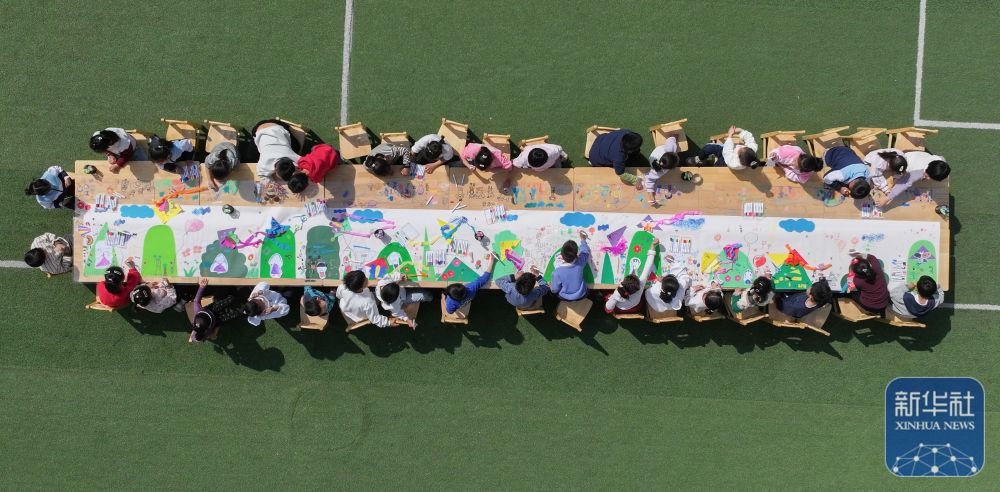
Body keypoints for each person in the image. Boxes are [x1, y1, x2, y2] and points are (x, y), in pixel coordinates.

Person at [875, 151, 950, 207]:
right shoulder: (917, 171)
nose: (928, 178)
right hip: (903, 165)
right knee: (895, 181)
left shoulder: (940, 161)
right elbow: (903, 184)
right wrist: (887, 198)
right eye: (927, 176)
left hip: (915, 158)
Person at [605, 240, 658, 314]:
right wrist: (653, 246)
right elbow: (647, 267)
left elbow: (608, 309)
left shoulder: (617, 293)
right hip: (636, 307)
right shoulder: (640, 285)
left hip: (621, 309)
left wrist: (611, 297)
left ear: (623, 283)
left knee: (607, 295)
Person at [189, 278, 245, 343]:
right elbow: (209, 334)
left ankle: (235, 289)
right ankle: (244, 309)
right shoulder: (205, 333)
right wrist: (214, 333)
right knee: (233, 314)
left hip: (212, 309)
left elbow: (196, 301)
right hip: (217, 320)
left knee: (229, 299)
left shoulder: (198, 313)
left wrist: (201, 287)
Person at [691, 126, 761, 171]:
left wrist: (730, 134)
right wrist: (741, 130)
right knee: (708, 148)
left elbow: (727, 150)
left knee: (716, 168)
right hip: (728, 152)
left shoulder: (734, 163)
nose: (740, 146)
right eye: (745, 147)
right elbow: (749, 138)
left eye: (740, 149)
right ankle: (699, 158)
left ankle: (706, 163)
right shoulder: (752, 149)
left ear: (739, 157)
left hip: (726, 159)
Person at [550, 231, 591, 301]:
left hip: (565, 297)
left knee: (552, 293)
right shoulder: (580, 262)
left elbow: (554, 290)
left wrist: (551, 286)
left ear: (561, 255)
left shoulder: (557, 272)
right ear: (577, 254)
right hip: (582, 294)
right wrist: (583, 240)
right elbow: (585, 252)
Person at [846, 250, 889, 315]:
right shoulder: (877, 270)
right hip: (884, 304)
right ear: (868, 265)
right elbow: (872, 257)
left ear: (856, 273)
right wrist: (860, 254)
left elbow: (856, 287)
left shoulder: (857, 281)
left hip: (870, 307)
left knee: (853, 294)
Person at [643, 136, 681, 204]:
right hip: (654, 161)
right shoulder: (657, 172)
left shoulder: (670, 149)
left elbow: (670, 139)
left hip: (657, 154)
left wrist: (674, 137)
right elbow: (649, 180)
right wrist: (650, 194)